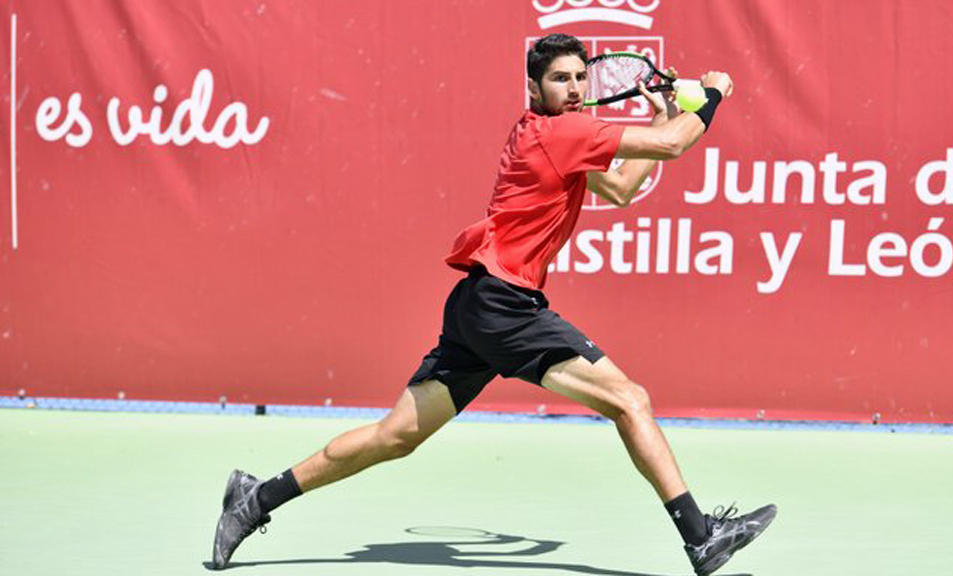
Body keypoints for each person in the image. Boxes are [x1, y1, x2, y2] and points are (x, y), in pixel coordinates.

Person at [211, 33, 775, 576]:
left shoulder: (554, 135)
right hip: (505, 304)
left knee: (395, 437)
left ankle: (256, 498)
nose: (575, 88)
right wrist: (715, 94)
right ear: (535, 90)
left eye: (581, 77)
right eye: (560, 79)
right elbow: (675, 146)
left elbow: (623, 188)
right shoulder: (562, 134)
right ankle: (701, 538)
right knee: (629, 401)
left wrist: (657, 118)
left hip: (477, 304)